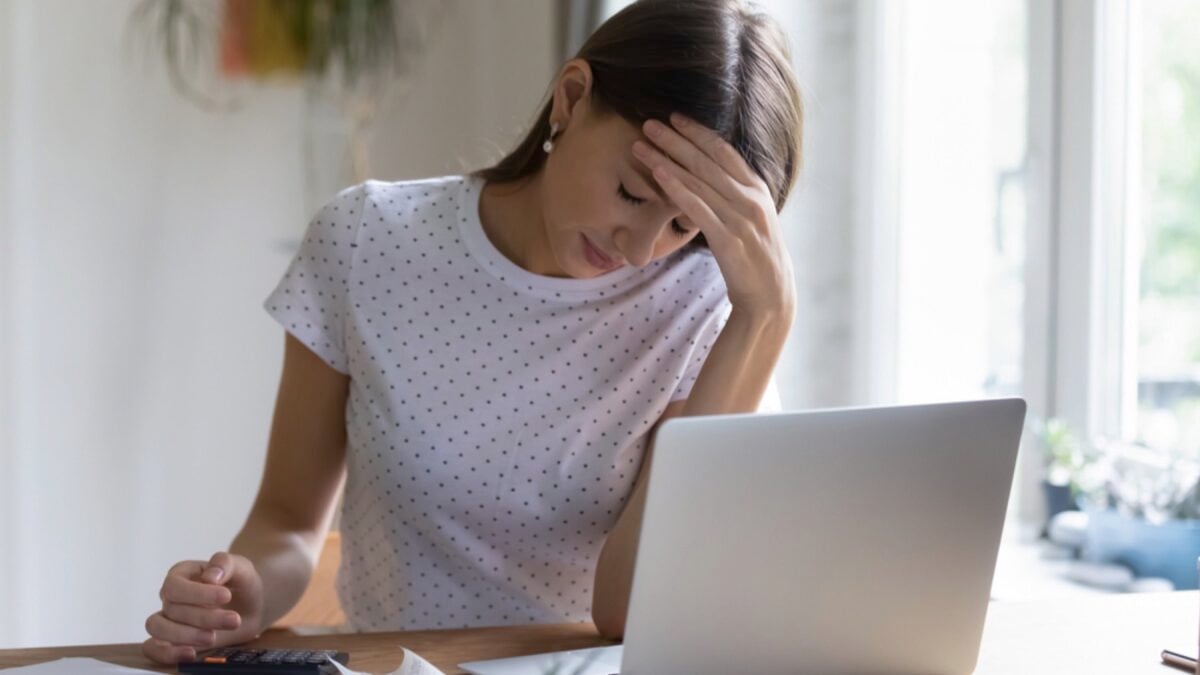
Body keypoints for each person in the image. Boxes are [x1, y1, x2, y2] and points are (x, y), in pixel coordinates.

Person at [142, 0, 803, 664]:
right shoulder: (367, 241)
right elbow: (285, 520)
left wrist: (764, 317)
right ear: (570, 99)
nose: (640, 247)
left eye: (683, 228)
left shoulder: (702, 308)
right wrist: (243, 593)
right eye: (632, 193)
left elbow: (628, 609)